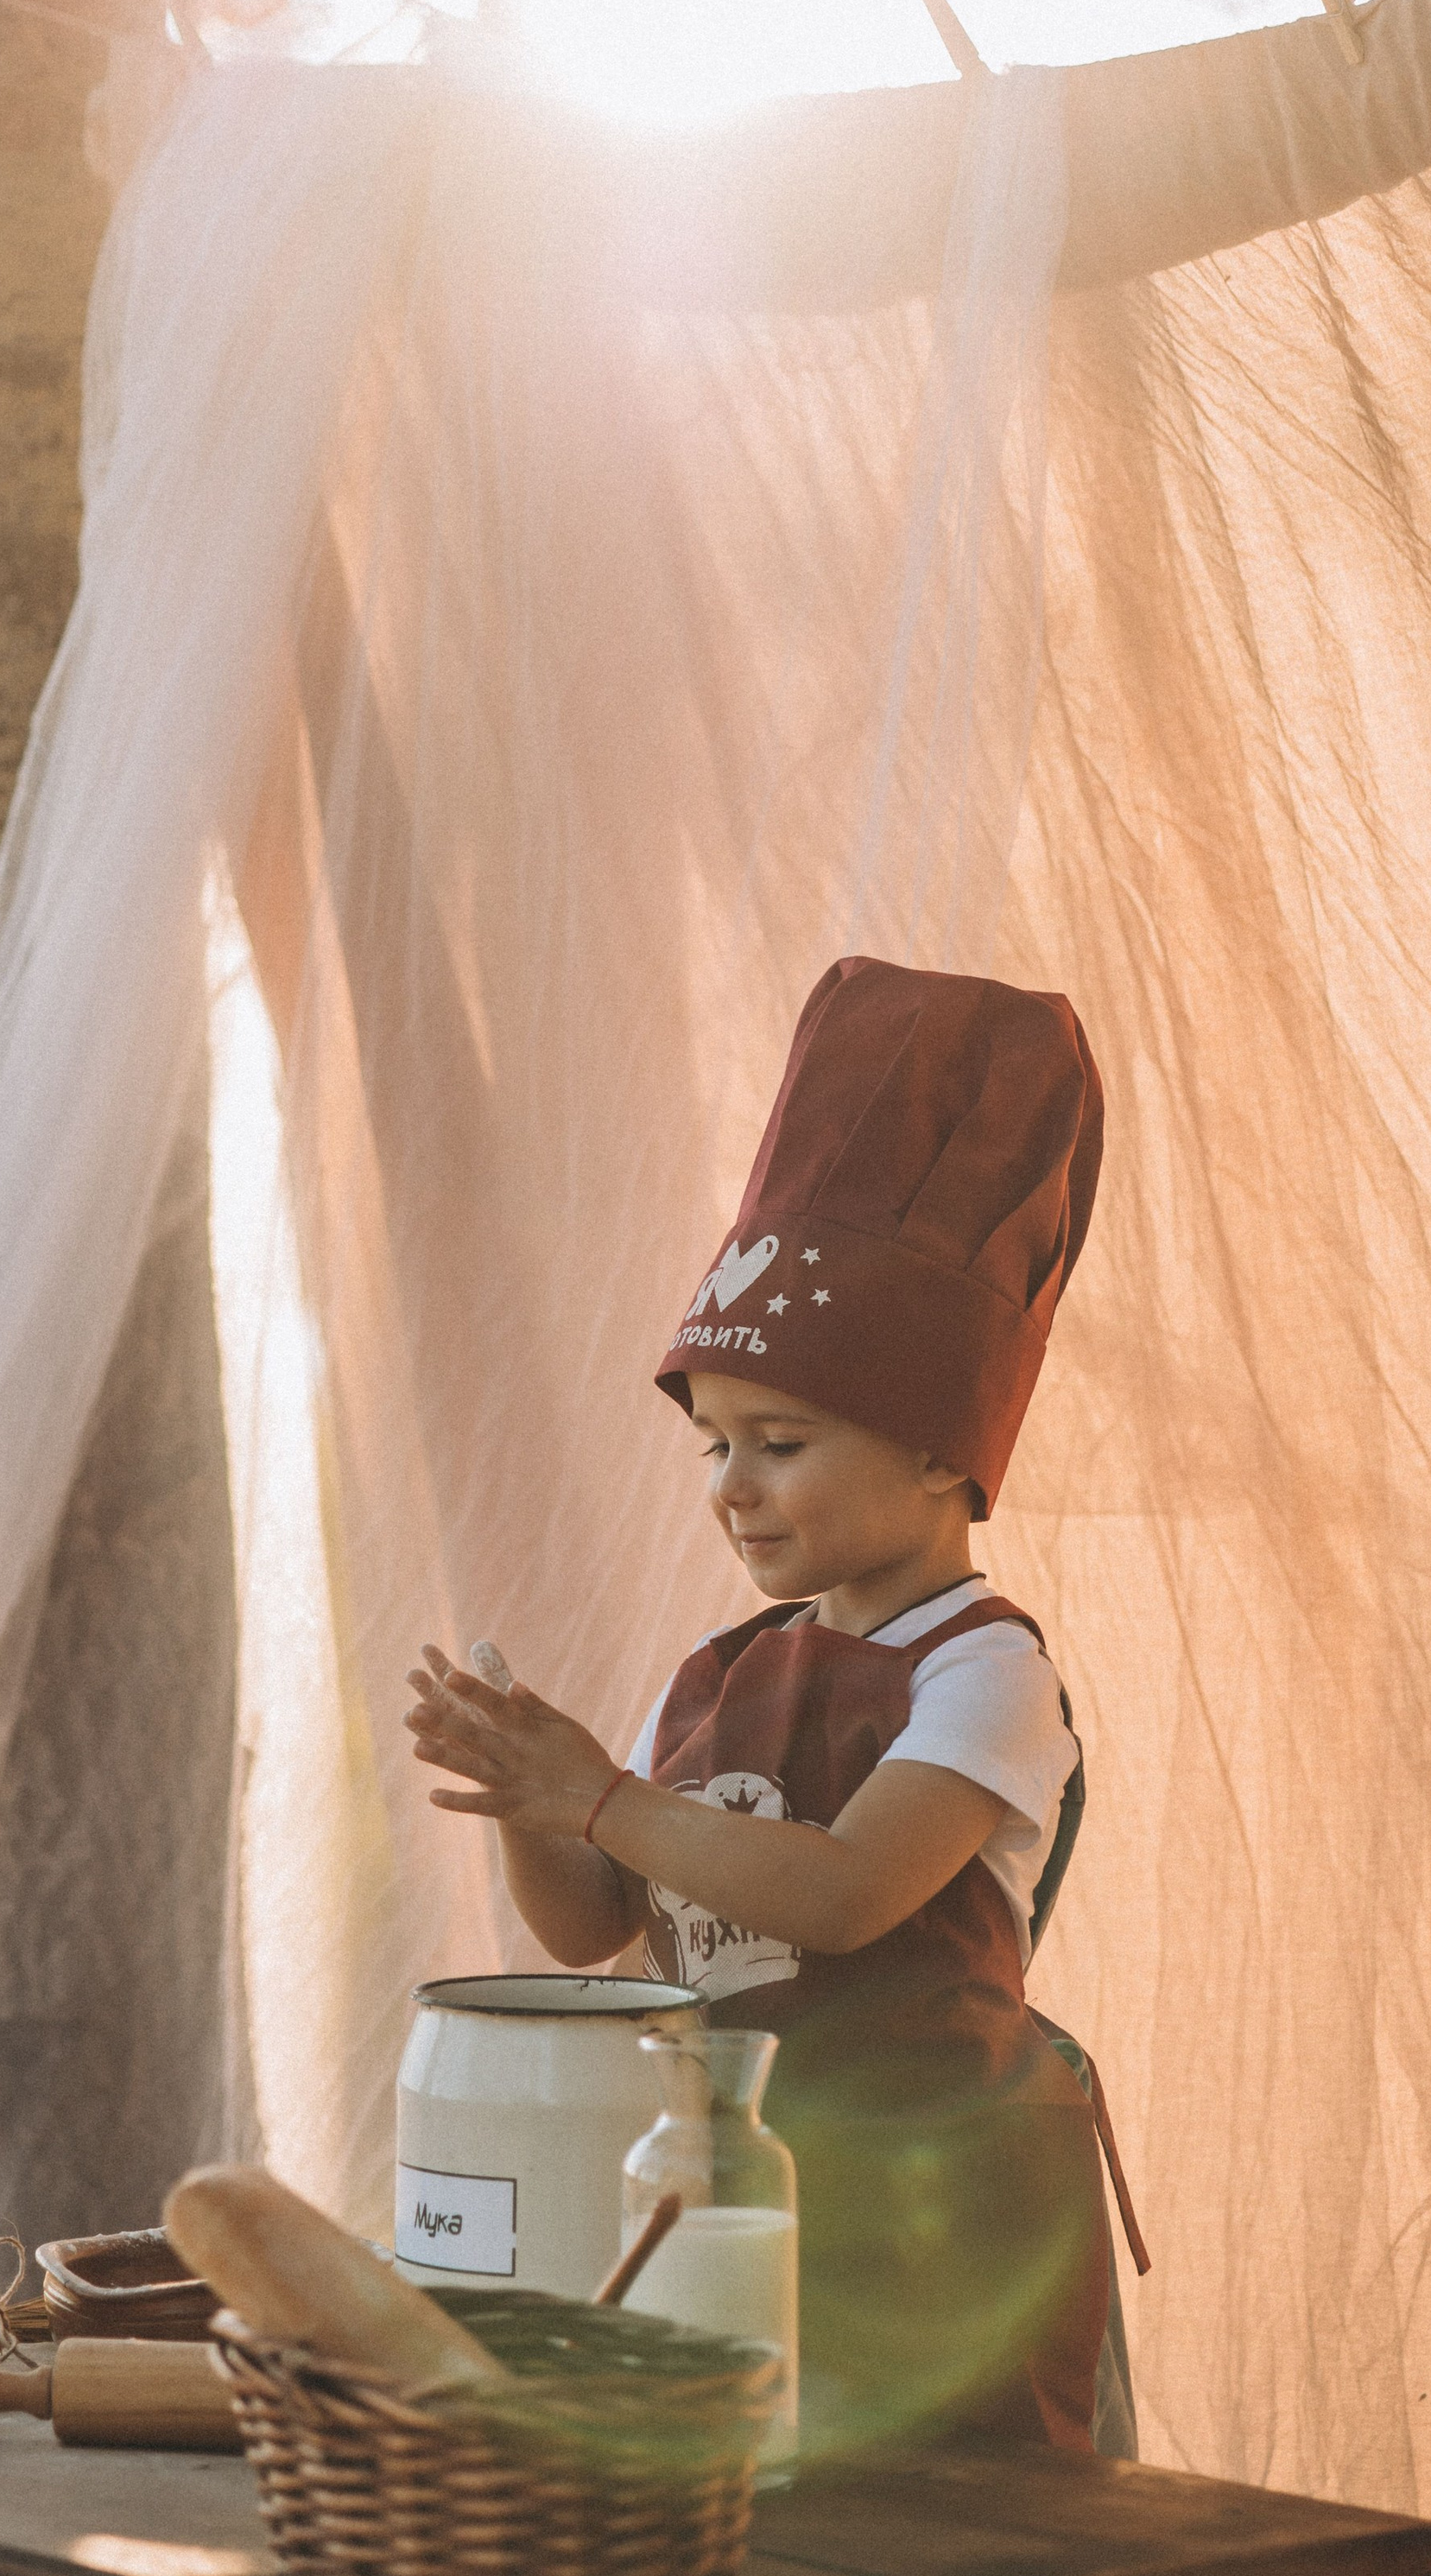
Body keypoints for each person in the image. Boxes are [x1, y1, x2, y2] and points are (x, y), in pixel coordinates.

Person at [405, 953, 1138, 2466]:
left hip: (942, 2232)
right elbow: (591, 1925)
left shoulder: (981, 1671)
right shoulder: (719, 1675)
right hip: (735, 2199)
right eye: (715, 1448)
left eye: (782, 1443)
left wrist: (606, 1797)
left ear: (942, 1452)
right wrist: (533, 1798)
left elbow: (853, 1891)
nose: (733, 1488)